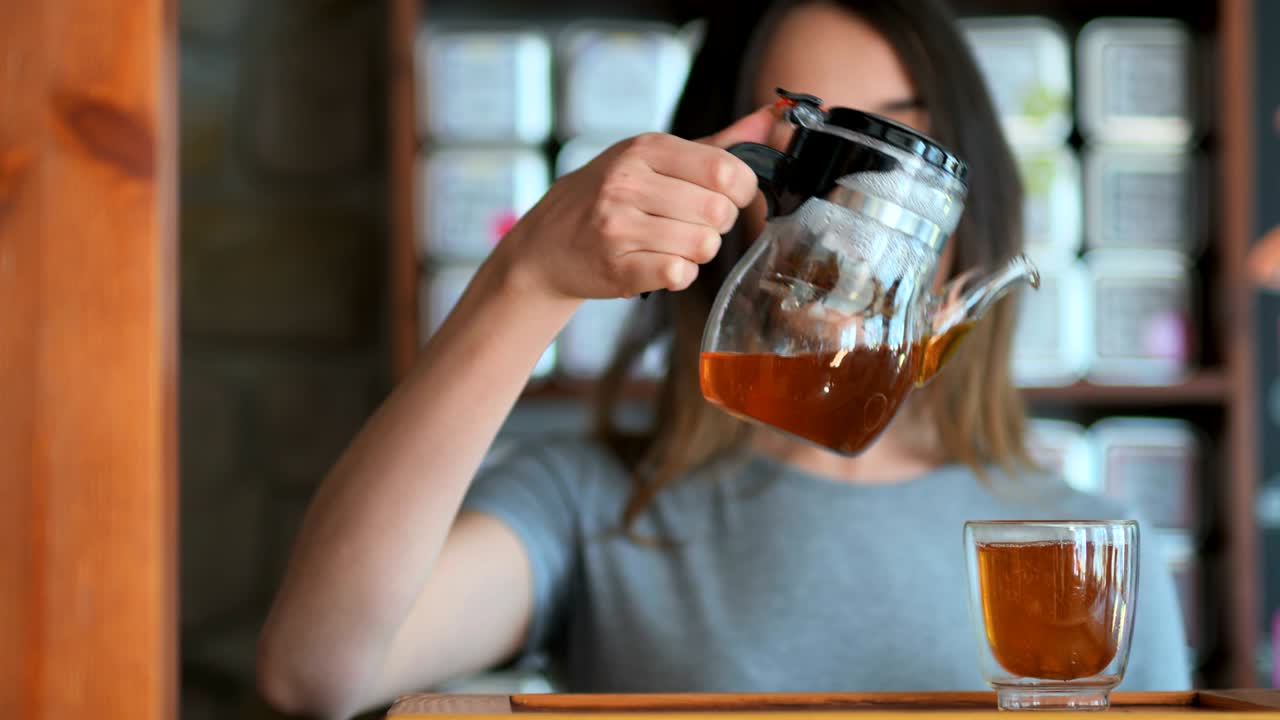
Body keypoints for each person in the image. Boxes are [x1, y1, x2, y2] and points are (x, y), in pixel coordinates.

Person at [256, 1, 1192, 717]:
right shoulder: (595, 504)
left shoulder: (1085, 550)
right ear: (729, 184)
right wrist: (529, 277)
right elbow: (320, 671)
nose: (857, 211)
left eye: (900, 145)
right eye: (814, 147)